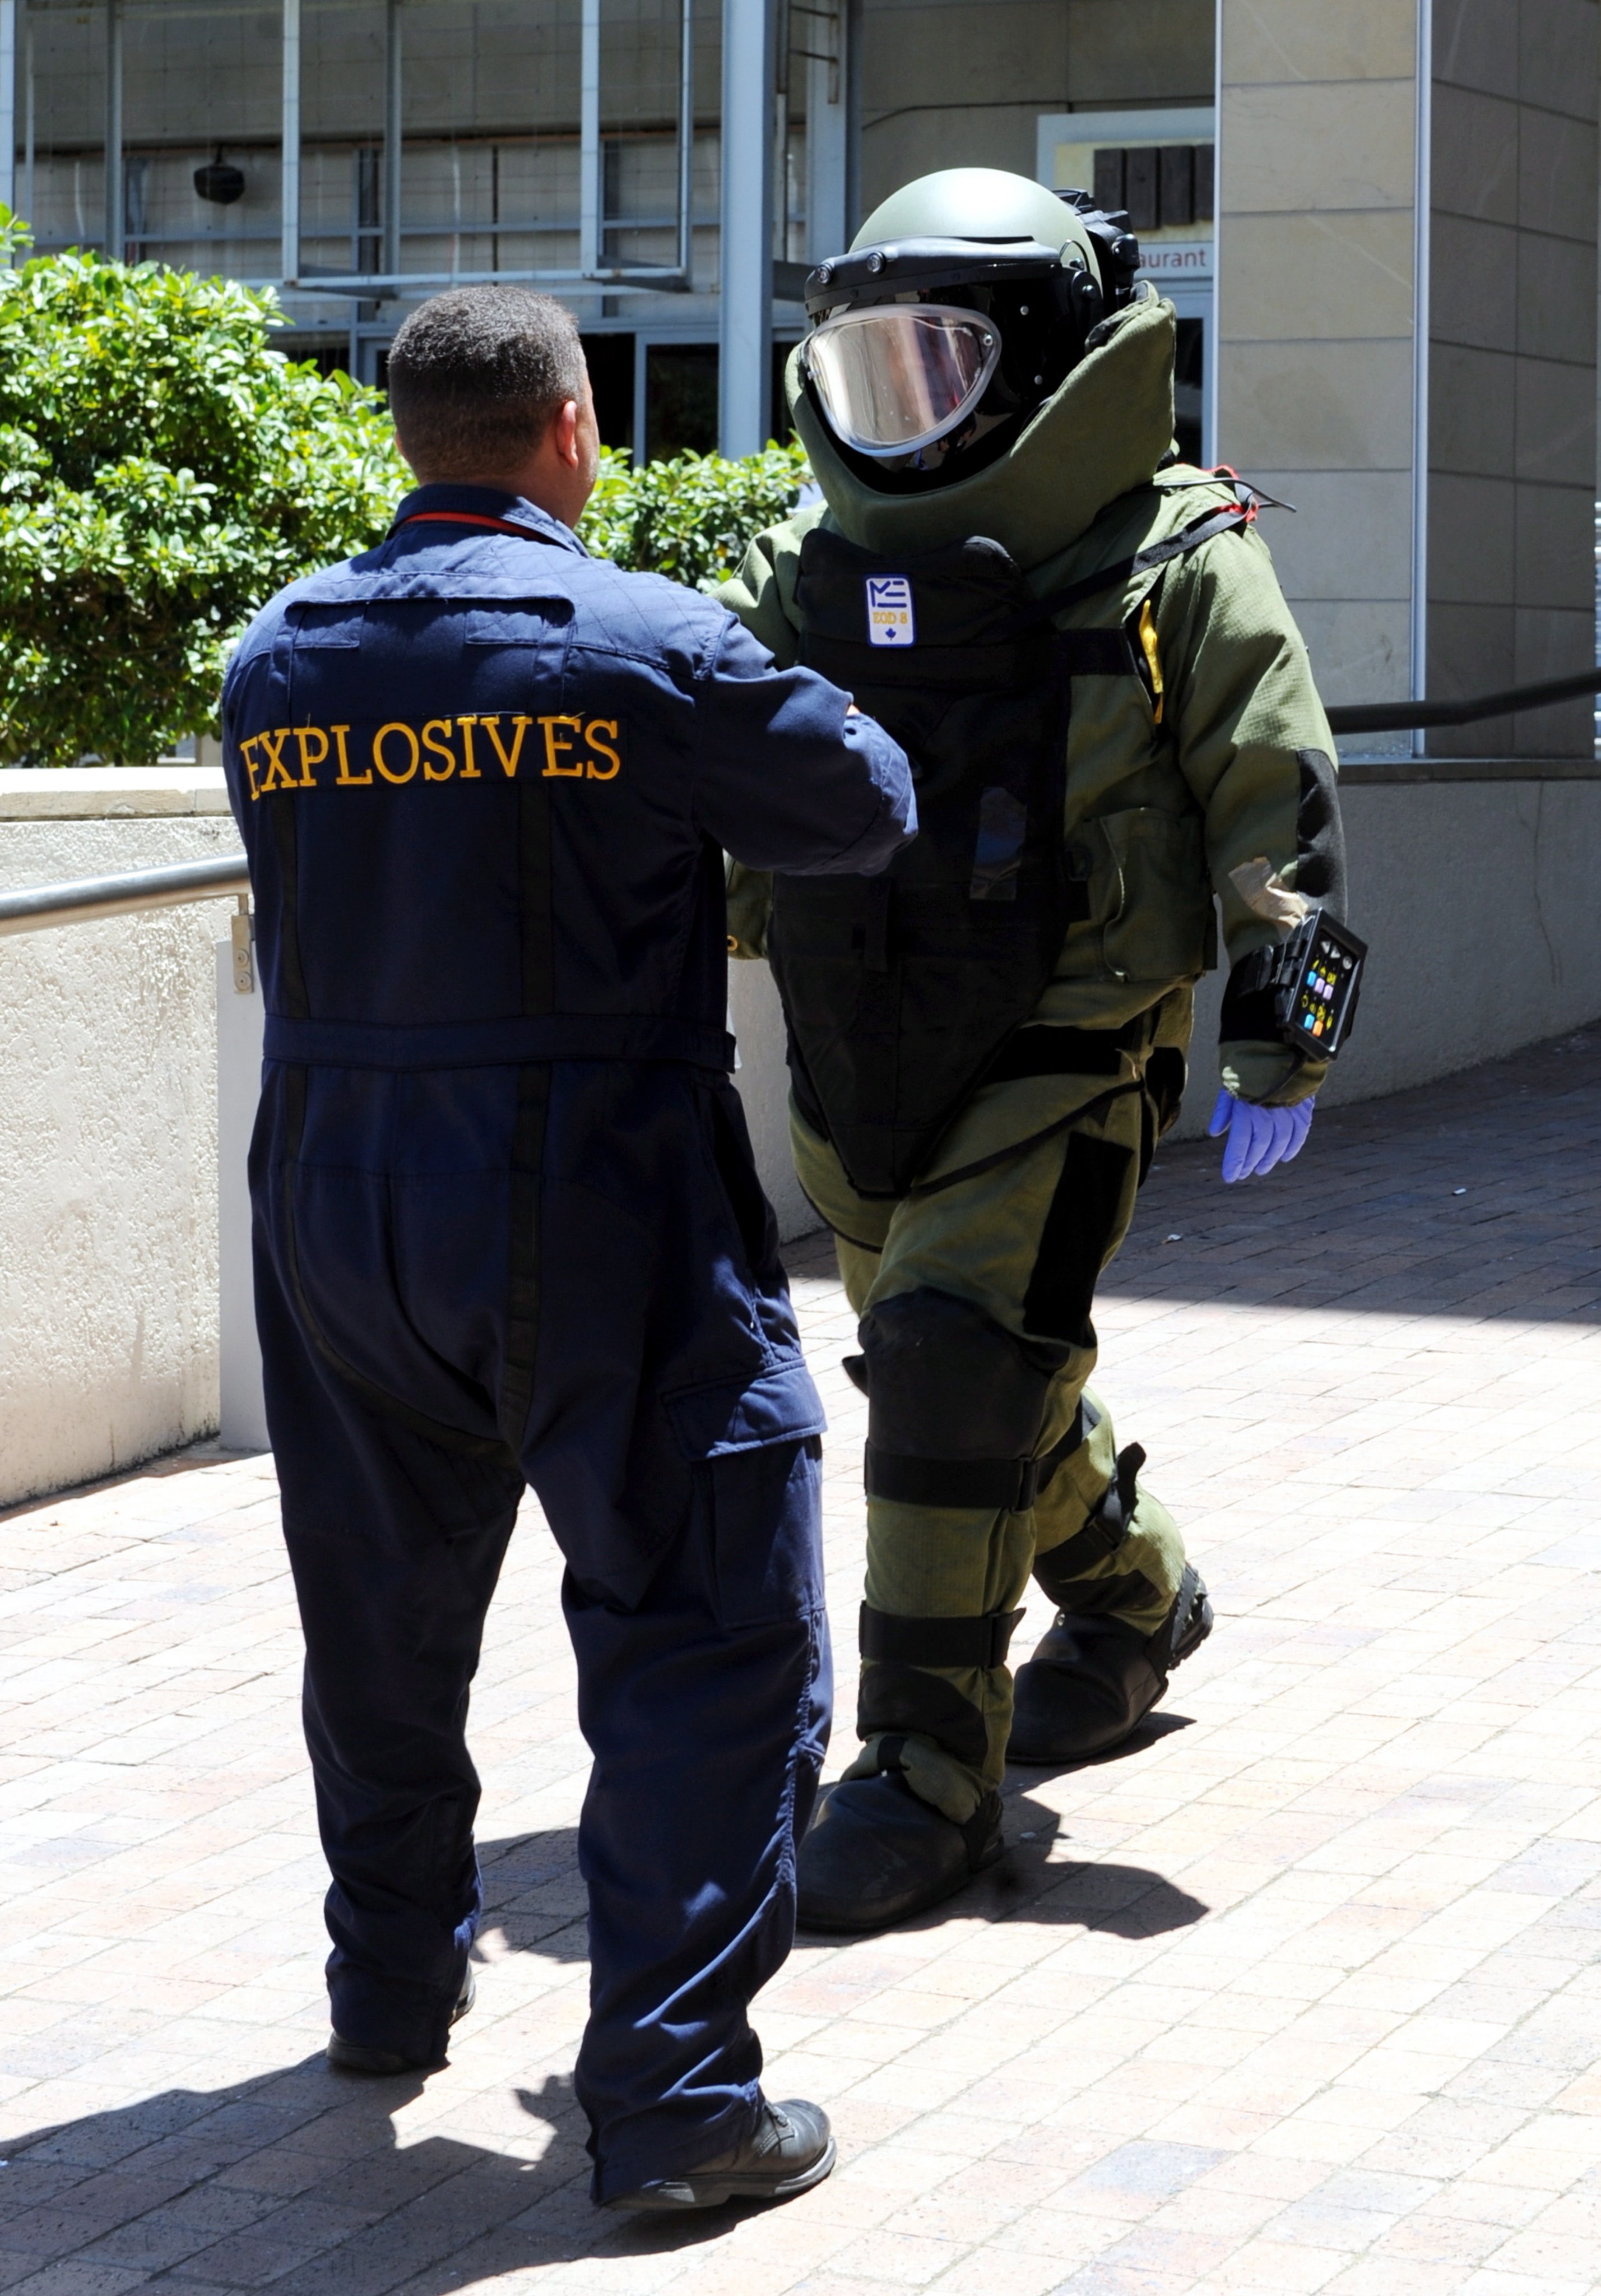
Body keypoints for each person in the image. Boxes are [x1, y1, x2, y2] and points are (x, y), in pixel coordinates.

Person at [220, 286, 915, 2207]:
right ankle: (680, 2108)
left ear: (406, 437)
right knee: (706, 1626)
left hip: (336, 1199)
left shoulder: (277, 655)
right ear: (573, 429)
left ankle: (387, 1990)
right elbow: (863, 807)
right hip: (597, 1191)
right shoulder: (643, 640)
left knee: (375, 1618)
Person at [719, 167, 1351, 1934]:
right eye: (868, 367)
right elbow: (696, 758)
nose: (898, 407)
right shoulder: (803, 561)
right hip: (856, 1039)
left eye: (938, 361)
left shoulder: (1175, 554)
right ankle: (1139, 1597)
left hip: (1073, 1039)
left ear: (1053, 364)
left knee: (952, 1360)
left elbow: (1280, 805)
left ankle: (923, 1772)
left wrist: (1283, 1047)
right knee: (975, 1378)